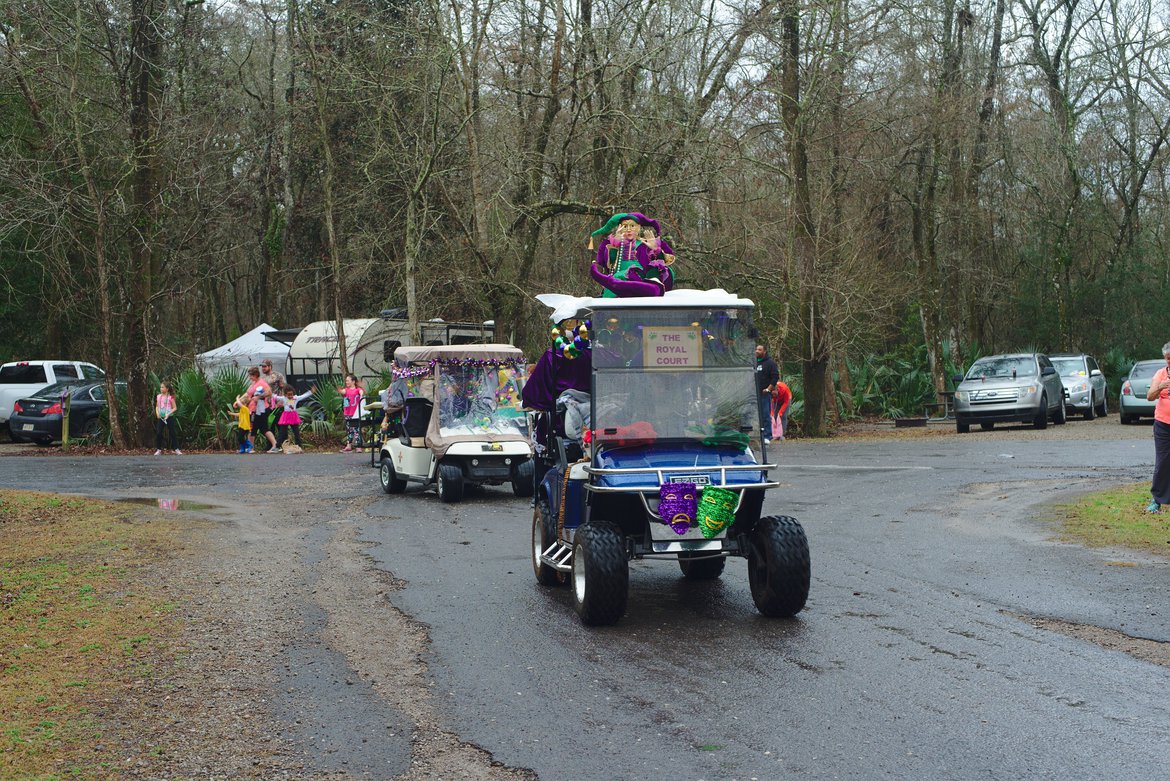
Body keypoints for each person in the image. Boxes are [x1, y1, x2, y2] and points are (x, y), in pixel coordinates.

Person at [1145, 342, 1170, 512]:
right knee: (1162, 462)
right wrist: (1160, 386)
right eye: (1167, 359)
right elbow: (1149, 396)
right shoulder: (1160, 374)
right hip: (1163, 424)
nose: (1169, 361)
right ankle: (1157, 500)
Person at [245, 366, 277, 452]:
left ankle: (251, 447)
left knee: (255, 428)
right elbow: (248, 394)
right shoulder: (253, 383)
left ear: (255, 374)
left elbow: (269, 392)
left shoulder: (261, 382)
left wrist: (259, 397)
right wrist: (238, 401)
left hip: (259, 410)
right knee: (259, 428)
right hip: (253, 409)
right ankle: (251, 448)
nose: (249, 377)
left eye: (250, 375)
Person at [275, 384, 315, 452]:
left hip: (293, 416)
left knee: (296, 432)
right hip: (286, 416)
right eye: (288, 395)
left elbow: (303, 396)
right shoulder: (284, 398)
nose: (290, 396)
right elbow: (276, 397)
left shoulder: (296, 398)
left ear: (293, 393)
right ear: (285, 395)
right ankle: (277, 446)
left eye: (291, 394)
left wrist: (311, 392)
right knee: (282, 431)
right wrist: (270, 394)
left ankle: (299, 446)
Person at [755, 344, 779, 444]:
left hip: (764, 394)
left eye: (759, 350)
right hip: (754, 394)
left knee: (765, 415)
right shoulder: (753, 363)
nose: (757, 351)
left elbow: (775, 377)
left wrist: (768, 389)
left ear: (764, 351)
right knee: (755, 415)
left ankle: (767, 436)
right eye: (756, 349)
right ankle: (756, 435)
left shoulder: (770, 363)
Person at [338, 374, 364, 452]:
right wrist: (338, 388)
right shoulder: (346, 390)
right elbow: (342, 392)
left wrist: (362, 392)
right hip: (347, 413)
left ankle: (358, 446)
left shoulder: (357, 389)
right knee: (349, 430)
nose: (346, 382)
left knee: (357, 429)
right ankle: (348, 445)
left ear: (353, 381)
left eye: (348, 380)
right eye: (346, 381)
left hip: (355, 413)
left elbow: (361, 392)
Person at [154, 381, 181, 455]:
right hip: (161, 418)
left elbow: (175, 408)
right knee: (159, 433)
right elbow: (157, 406)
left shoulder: (170, 397)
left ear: (167, 389)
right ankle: (158, 449)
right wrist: (157, 413)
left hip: (169, 417)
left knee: (172, 432)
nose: (161, 388)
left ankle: (176, 449)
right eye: (161, 387)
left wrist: (168, 414)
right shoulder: (158, 396)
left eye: (163, 387)